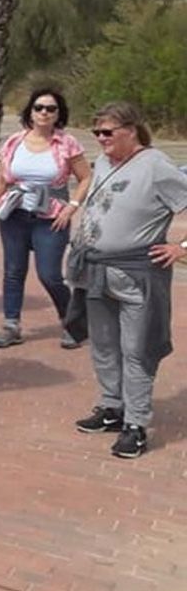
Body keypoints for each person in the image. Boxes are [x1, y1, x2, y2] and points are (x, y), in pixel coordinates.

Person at [69, 102, 187, 459]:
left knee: (137, 350)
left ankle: (136, 423)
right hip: (95, 270)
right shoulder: (103, 162)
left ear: (131, 130)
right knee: (104, 345)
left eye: (108, 132)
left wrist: (181, 247)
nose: (101, 139)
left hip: (137, 274)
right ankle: (112, 407)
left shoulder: (156, 166)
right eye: (97, 133)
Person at [0, 89, 92, 349]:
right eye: (39, 107)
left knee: (50, 274)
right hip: (15, 215)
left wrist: (72, 206)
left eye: (50, 109)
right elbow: (1, 180)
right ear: (30, 112)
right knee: (13, 271)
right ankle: (11, 325)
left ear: (58, 114)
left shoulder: (67, 143)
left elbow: (86, 177)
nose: (44, 113)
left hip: (51, 218)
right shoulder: (14, 142)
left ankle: (73, 321)